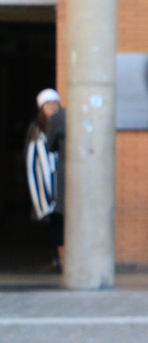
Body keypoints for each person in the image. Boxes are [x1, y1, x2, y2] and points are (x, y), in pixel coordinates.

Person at [25, 88, 65, 267]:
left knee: (63, 216)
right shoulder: (36, 128)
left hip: (61, 176)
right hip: (44, 179)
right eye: (48, 104)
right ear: (41, 107)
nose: (52, 107)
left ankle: (63, 256)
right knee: (51, 218)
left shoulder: (63, 123)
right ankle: (54, 257)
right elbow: (31, 155)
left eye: (55, 104)